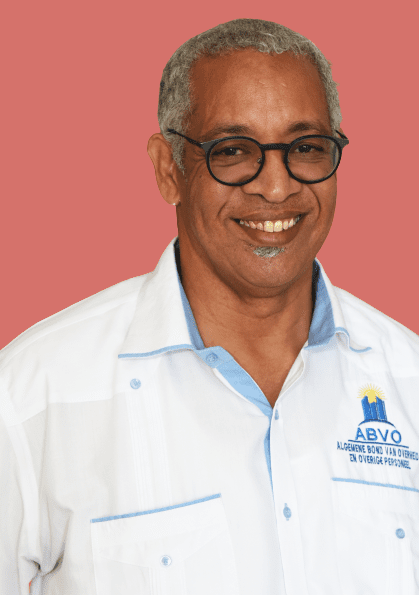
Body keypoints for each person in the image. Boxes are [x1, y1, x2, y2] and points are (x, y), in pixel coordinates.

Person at [1, 18, 418, 595]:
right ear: (168, 169)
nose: (276, 187)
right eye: (233, 151)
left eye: (306, 148)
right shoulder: (34, 396)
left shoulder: (409, 379)